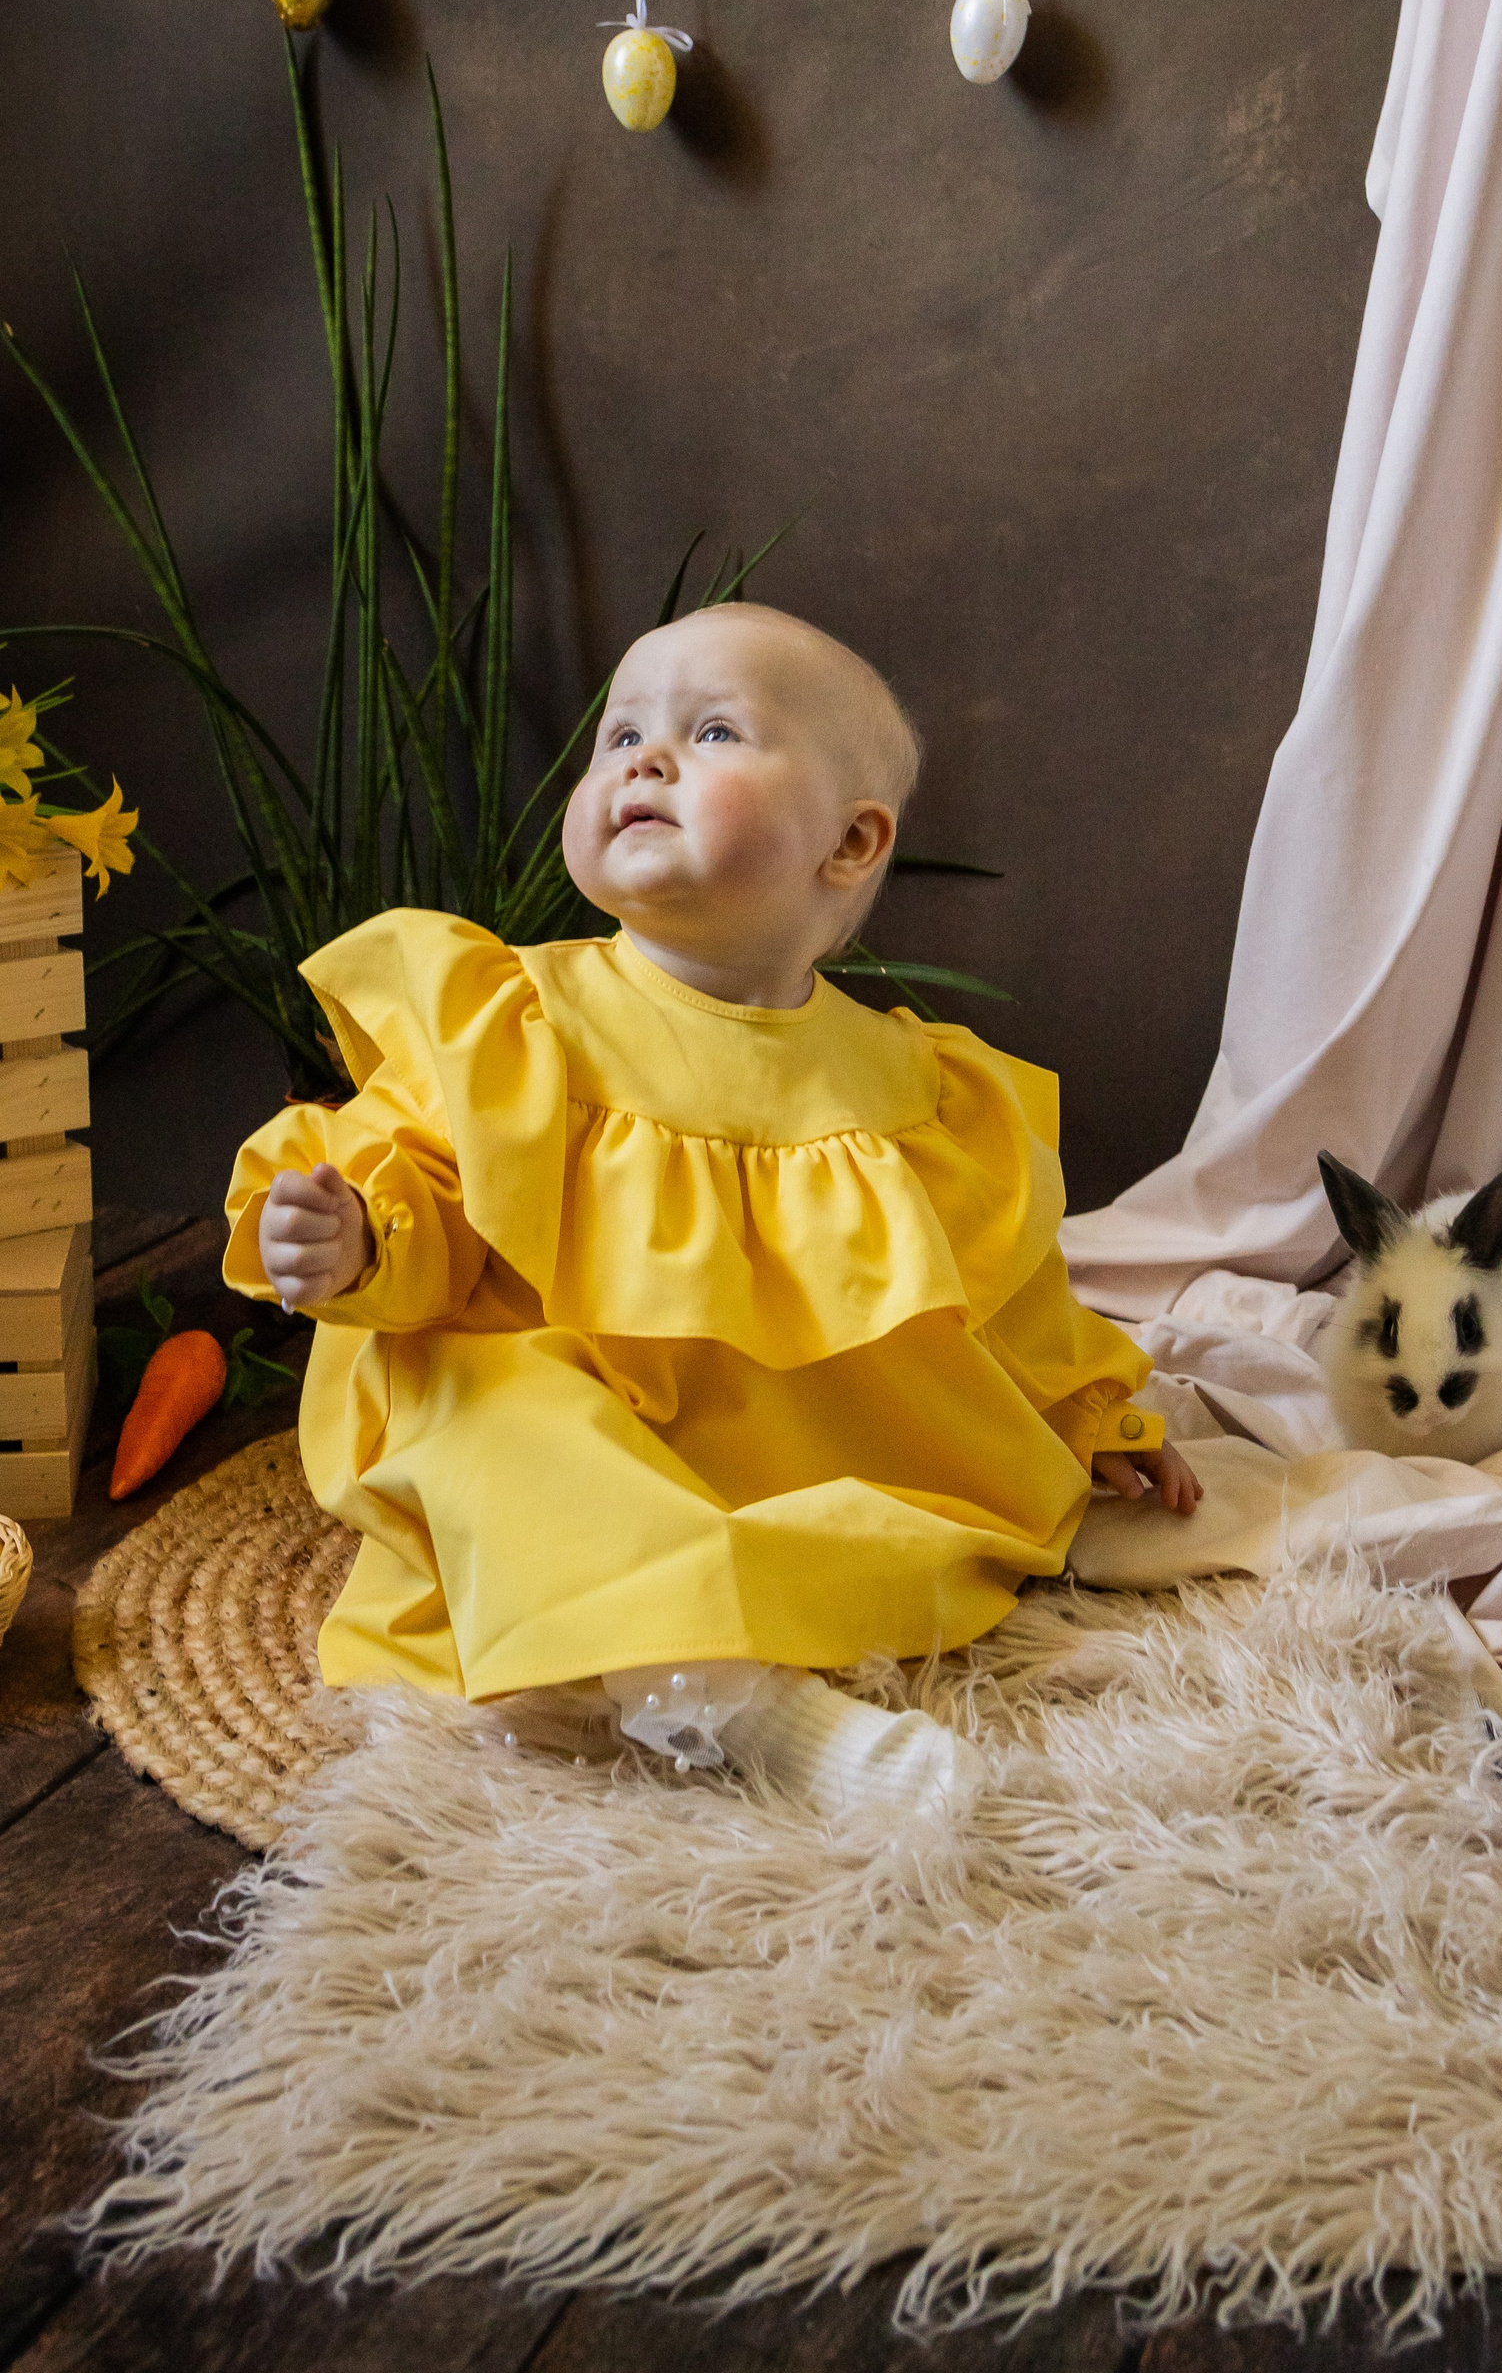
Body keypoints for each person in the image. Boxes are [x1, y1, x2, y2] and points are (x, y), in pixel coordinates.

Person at [225, 603, 1200, 1814]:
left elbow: (1001, 1288)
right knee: (484, 1404)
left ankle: (716, 1610)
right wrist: (358, 1236)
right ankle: (745, 1706)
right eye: (622, 734)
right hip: (566, 1439)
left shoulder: (916, 1089)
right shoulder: (511, 1022)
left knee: (861, 1507)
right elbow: (421, 1175)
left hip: (773, 1462)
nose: (644, 760)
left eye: (715, 732)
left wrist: (1093, 1409)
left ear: (850, 841)